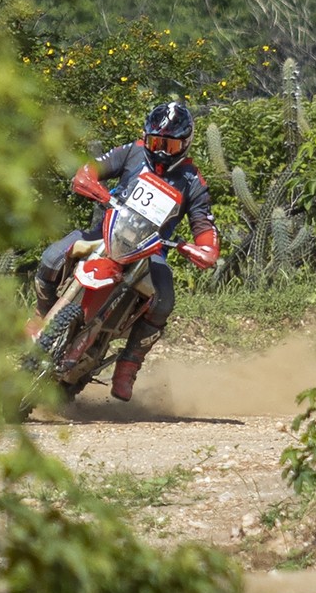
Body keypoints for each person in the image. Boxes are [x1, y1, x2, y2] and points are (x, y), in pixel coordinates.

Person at [31, 101, 219, 401]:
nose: (159, 149)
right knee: (53, 256)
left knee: (164, 300)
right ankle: (42, 316)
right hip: (106, 233)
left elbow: (203, 223)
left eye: (168, 144)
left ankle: (128, 365)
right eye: (155, 141)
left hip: (151, 250)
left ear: (185, 143)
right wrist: (89, 182)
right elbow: (89, 169)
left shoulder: (192, 180)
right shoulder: (132, 151)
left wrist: (205, 248)